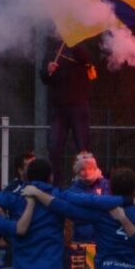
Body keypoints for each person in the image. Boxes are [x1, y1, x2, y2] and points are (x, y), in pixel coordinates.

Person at [42, 42, 97, 180]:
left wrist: (73, 41)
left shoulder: (80, 45)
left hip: (79, 105)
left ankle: (86, 182)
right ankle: (57, 186)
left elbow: (87, 58)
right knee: (54, 149)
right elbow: (44, 78)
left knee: (83, 150)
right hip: (58, 107)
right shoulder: (51, 51)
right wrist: (48, 71)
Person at [67, 152, 109, 244]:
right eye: (82, 169)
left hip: (104, 236)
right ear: (77, 172)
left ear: (95, 168)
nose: (87, 172)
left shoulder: (105, 184)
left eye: (90, 168)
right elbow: (74, 213)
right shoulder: (73, 189)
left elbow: (107, 205)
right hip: (81, 238)